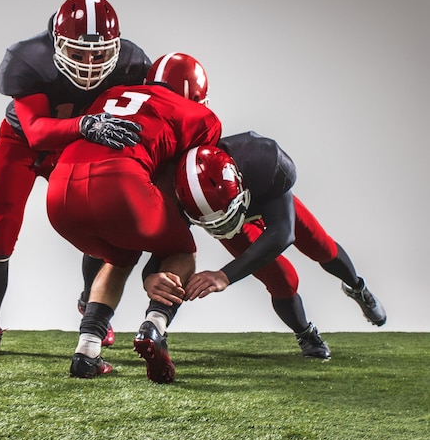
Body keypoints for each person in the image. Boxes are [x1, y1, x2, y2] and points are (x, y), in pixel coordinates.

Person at [0, 0, 151, 357]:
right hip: (21, 143)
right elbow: (36, 130)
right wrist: (86, 123)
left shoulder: (131, 63)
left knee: (95, 222)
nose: (89, 63)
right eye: (78, 53)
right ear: (55, 45)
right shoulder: (29, 59)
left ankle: (90, 301)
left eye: (99, 55)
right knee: (1, 235)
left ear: (115, 49)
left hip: (74, 146)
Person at [142, 133, 386, 374]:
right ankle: (305, 333)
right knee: (282, 279)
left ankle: (357, 287)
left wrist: (225, 275)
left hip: (264, 200)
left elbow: (283, 233)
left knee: (321, 246)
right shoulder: (173, 194)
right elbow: (166, 248)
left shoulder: (262, 162)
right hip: (234, 221)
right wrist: (148, 278)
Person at [46, 52, 222, 380]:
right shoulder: (201, 116)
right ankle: (154, 326)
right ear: (196, 94)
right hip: (119, 187)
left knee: (121, 254)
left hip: (59, 195)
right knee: (181, 251)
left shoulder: (111, 94)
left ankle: (87, 350)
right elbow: (184, 178)